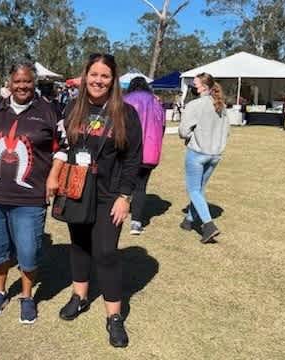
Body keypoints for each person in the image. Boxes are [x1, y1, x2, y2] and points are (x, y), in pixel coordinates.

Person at [0, 62, 68, 324]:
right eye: (18, 81)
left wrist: (52, 176)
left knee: (28, 250)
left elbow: (62, 148)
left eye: (27, 81)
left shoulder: (48, 111)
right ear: (10, 82)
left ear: (33, 83)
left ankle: (26, 297)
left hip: (30, 197)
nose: (22, 86)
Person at [57, 53, 142, 348]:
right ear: (85, 76)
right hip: (76, 189)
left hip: (109, 194)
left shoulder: (125, 114)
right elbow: (62, 147)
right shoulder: (72, 107)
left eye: (105, 76)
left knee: (105, 252)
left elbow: (133, 160)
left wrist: (125, 196)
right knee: (79, 245)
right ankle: (79, 297)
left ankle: (114, 317)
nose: (98, 80)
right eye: (94, 74)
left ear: (113, 80)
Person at [179, 72, 229, 244]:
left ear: (203, 87)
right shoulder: (221, 106)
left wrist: (190, 136)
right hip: (215, 154)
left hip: (197, 153)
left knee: (193, 190)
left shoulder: (195, 105)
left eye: (195, 84)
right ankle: (189, 221)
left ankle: (208, 226)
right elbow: (226, 131)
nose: (193, 86)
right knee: (199, 189)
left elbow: (183, 131)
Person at [123, 77, 165, 235]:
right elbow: (162, 127)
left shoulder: (126, 100)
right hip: (150, 152)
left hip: (128, 151)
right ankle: (136, 222)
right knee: (141, 187)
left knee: (121, 182)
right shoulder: (156, 103)